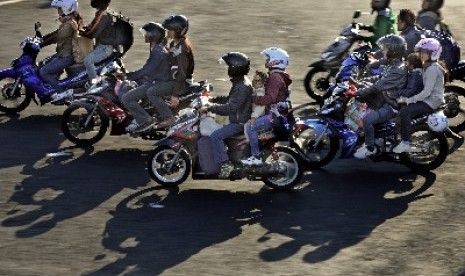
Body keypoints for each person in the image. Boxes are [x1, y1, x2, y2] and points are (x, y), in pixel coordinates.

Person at [353, 34, 407, 159]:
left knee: (367, 120)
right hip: (384, 98)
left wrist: (358, 92)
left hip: (391, 105)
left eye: (385, 49)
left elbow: (378, 86)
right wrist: (360, 81)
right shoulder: (392, 63)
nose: (383, 50)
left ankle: (370, 147)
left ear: (393, 51)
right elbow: (379, 77)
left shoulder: (398, 70)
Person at [200, 52, 253, 178]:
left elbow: (231, 107)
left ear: (235, 69)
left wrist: (210, 108)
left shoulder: (242, 87)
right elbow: (229, 100)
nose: (228, 69)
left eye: (229, 66)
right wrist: (212, 100)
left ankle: (225, 163)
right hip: (237, 117)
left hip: (238, 122)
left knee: (215, 136)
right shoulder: (240, 82)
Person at [393, 37, 445, 153]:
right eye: (421, 51)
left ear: (433, 53)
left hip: (431, 102)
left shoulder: (432, 69)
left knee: (404, 112)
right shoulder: (428, 66)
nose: (422, 54)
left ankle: (405, 142)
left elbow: (427, 92)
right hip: (428, 98)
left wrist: (408, 100)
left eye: (425, 52)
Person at [240, 47, 292, 165]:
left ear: (275, 60)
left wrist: (252, 98)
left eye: (269, 58)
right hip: (279, 114)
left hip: (274, 117)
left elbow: (270, 98)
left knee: (250, 126)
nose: (267, 61)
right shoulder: (279, 75)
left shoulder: (274, 77)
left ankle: (256, 157)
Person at [119, 22, 171, 133]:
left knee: (126, 98)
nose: (144, 36)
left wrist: (127, 76)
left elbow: (146, 70)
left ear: (153, 35)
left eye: (146, 34)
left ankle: (146, 120)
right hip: (153, 79)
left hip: (156, 82)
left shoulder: (157, 51)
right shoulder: (156, 47)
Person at [146, 14, 194, 130]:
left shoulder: (182, 49)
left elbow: (182, 74)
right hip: (173, 77)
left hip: (180, 82)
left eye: (169, 30)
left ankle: (168, 117)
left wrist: (175, 95)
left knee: (151, 92)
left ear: (177, 31)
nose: (167, 31)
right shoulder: (174, 43)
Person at [39, 0, 81, 103]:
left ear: (66, 9)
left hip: (67, 56)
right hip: (63, 54)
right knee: (43, 63)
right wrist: (41, 38)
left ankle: (61, 93)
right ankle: (53, 86)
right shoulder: (68, 21)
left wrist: (40, 44)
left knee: (44, 72)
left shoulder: (69, 25)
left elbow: (56, 37)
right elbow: (56, 33)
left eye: (59, 8)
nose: (58, 11)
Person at [80, 0, 115, 85]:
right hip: (101, 46)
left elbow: (92, 34)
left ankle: (94, 84)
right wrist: (83, 29)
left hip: (105, 48)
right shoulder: (102, 13)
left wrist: (81, 32)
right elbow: (91, 26)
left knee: (88, 61)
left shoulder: (104, 15)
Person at [244, 70, 267, 142]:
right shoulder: (257, 91)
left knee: (247, 126)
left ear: (261, 82)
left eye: (256, 80)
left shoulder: (260, 92)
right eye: (254, 79)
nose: (254, 81)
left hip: (259, 116)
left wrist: (253, 116)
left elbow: (261, 107)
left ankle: (248, 141)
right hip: (256, 114)